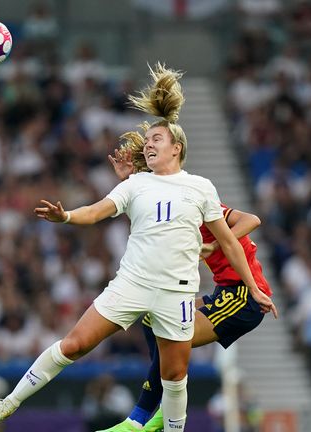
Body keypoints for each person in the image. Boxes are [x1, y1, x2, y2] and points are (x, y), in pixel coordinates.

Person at [0, 63, 278, 431]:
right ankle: (8, 403)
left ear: (176, 149)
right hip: (132, 285)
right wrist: (67, 216)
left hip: (177, 293)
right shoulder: (135, 185)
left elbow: (231, 241)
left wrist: (251, 287)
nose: (149, 144)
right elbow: (96, 211)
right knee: (74, 344)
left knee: (175, 374)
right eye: (147, 140)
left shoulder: (200, 187)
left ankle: (157, 426)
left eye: (157, 139)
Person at [96, 128, 274, 432]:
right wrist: (127, 181)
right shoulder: (170, 211)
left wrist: (217, 244)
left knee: (172, 336)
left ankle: (143, 417)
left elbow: (252, 220)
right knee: (153, 319)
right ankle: (158, 412)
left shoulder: (197, 204)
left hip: (243, 298)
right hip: (224, 292)